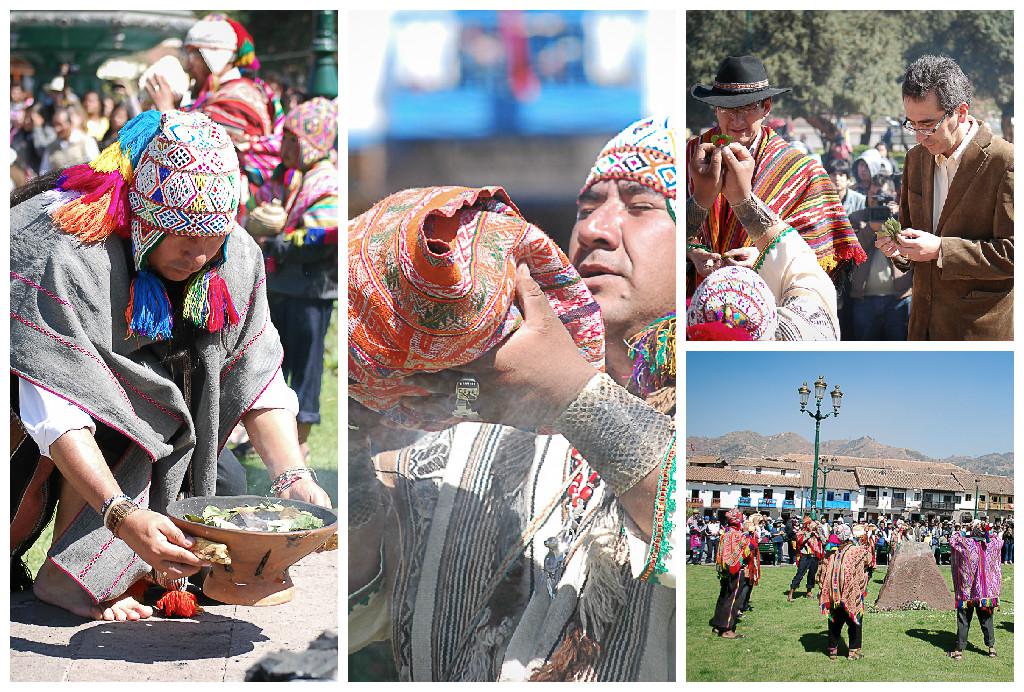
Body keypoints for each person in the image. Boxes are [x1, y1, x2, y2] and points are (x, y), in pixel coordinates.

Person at [347, 116, 677, 680]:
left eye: (642, 205)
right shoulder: (483, 405)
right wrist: (361, 435)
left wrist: (575, 395)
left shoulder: (709, 412)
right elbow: (364, 586)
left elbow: (704, 539)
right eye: (586, 205)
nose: (595, 228)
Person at [10, 110, 332, 622]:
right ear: (142, 221)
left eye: (212, 245)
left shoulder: (232, 255)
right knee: (25, 474)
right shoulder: (69, 252)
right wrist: (121, 514)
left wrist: (292, 478)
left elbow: (257, 371)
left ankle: (91, 576)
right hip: (24, 379)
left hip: (103, 394)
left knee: (160, 434)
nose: (199, 260)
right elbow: (55, 406)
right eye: (184, 244)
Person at [686, 55, 864, 293]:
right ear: (716, 109)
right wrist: (693, 252)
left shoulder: (801, 171)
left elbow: (820, 248)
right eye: (726, 108)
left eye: (747, 108)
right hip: (696, 305)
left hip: (769, 307)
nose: (736, 119)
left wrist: (765, 254)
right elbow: (662, 226)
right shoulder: (690, 155)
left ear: (766, 108)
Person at [876, 55, 1013, 340]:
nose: (919, 137)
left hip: (977, 336)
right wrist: (900, 249)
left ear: (961, 113)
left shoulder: (1007, 162)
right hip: (920, 330)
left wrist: (941, 250)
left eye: (927, 124)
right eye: (911, 124)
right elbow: (913, 242)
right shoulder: (916, 159)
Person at [251, 97, 339, 461]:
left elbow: (326, 233)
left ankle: (298, 448)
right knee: (271, 365)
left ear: (311, 142)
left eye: (291, 140)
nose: (284, 148)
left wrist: (280, 242)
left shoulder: (326, 181)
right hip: (282, 286)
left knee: (304, 372)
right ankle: (278, 440)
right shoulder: (290, 177)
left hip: (309, 291)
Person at [147, 15, 281, 221]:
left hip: (237, 207)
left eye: (192, 57)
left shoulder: (236, 96)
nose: (188, 66)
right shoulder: (219, 93)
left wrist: (167, 110)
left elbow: (202, 150)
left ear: (209, 57)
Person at [948, 521, 1003, 659]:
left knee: (964, 619)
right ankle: (991, 649)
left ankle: (959, 651)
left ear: (971, 531)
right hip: (985, 593)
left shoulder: (966, 544)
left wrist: (964, 529)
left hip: (967, 592)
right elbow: (997, 538)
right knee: (987, 619)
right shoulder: (992, 545)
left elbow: (953, 539)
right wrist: (986, 529)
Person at [817, 524, 872, 660]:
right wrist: (865, 540)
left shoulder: (830, 552)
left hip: (833, 595)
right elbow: (869, 560)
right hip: (849, 594)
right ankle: (853, 652)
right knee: (855, 621)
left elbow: (822, 573)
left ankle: (833, 651)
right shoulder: (856, 551)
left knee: (834, 621)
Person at [710, 509, 755, 639]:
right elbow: (748, 549)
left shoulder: (726, 532)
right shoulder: (737, 535)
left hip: (725, 570)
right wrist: (749, 536)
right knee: (733, 599)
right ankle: (727, 629)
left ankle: (718, 625)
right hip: (735, 570)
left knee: (724, 596)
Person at [39, 107, 99, 174]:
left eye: (60, 124)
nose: (57, 129)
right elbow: (43, 173)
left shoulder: (86, 141)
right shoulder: (51, 148)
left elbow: (95, 168)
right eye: (54, 125)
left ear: (70, 123)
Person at [788, 516, 824, 600]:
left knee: (812, 575)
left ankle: (809, 592)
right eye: (810, 524)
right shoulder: (802, 532)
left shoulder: (817, 534)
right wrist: (809, 534)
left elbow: (825, 541)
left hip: (815, 556)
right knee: (800, 574)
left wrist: (819, 532)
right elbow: (800, 541)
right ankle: (791, 593)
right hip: (805, 556)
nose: (812, 525)